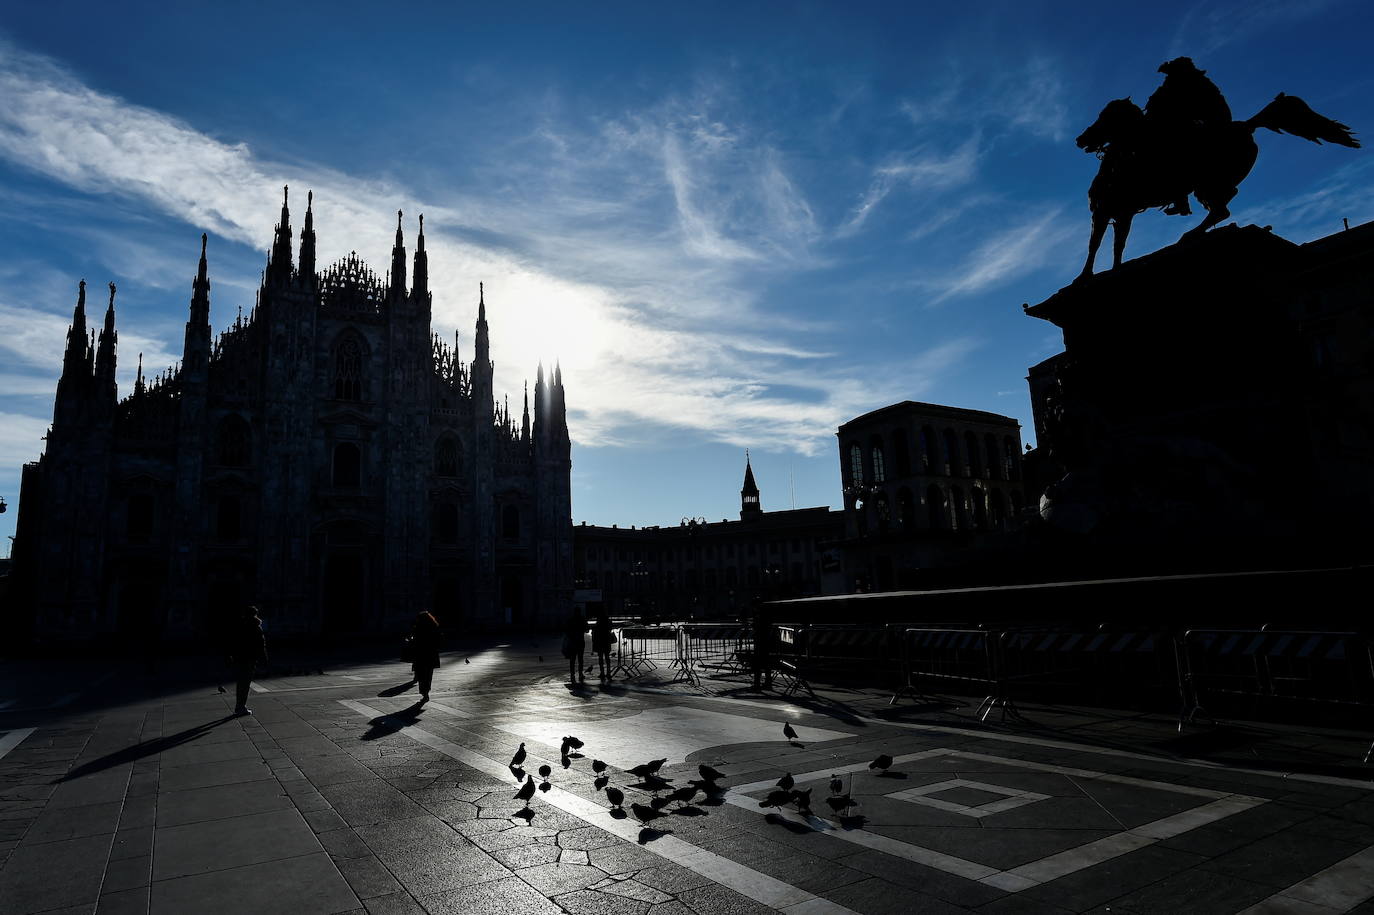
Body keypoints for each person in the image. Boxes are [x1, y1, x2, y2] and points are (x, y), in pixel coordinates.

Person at [1144, 57, 1232, 216]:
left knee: (1177, 150)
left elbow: (1211, 108)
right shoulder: (1171, 83)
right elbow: (1158, 103)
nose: (1168, 76)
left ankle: (1181, 200)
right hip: (1186, 122)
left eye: (1171, 72)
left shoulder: (1198, 83)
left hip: (1206, 124)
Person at [227, 605, 268, 716]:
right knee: (245, 683)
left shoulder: (240, 625)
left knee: (241, 683)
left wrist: (230, 656)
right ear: (254, 614)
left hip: (239, 658)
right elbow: (261, 645)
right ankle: (241, 707)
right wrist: (264, 659)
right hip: (250, 658)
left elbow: (232, 642)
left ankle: (239, 705)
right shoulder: (256, 626)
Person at [410, 611, 441, 702]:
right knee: (428, 675)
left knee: (421, 674)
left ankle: (424, 692)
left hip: (420, 654)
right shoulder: (434, 626)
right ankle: (426, 692)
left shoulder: (418, 627)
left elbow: (414, 640)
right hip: (431, 654)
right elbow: (438, 640)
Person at [563, 609, 587, 684]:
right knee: (580, 659)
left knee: (572, 659)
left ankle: (572, 674)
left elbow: (567, 630)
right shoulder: (582, 620)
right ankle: (580, 674)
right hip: (580, 641)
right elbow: (586, 630)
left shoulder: (571, 620)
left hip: (573, 642)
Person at [591, 607, 615, 680]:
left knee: (600, 658)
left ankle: (602, 673)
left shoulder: (598, 621)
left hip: (600, 641)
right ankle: (608, 673)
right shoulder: (608, 620)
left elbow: (596, 631)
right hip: (606, 641)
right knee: (607, 657)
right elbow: (610, 628)